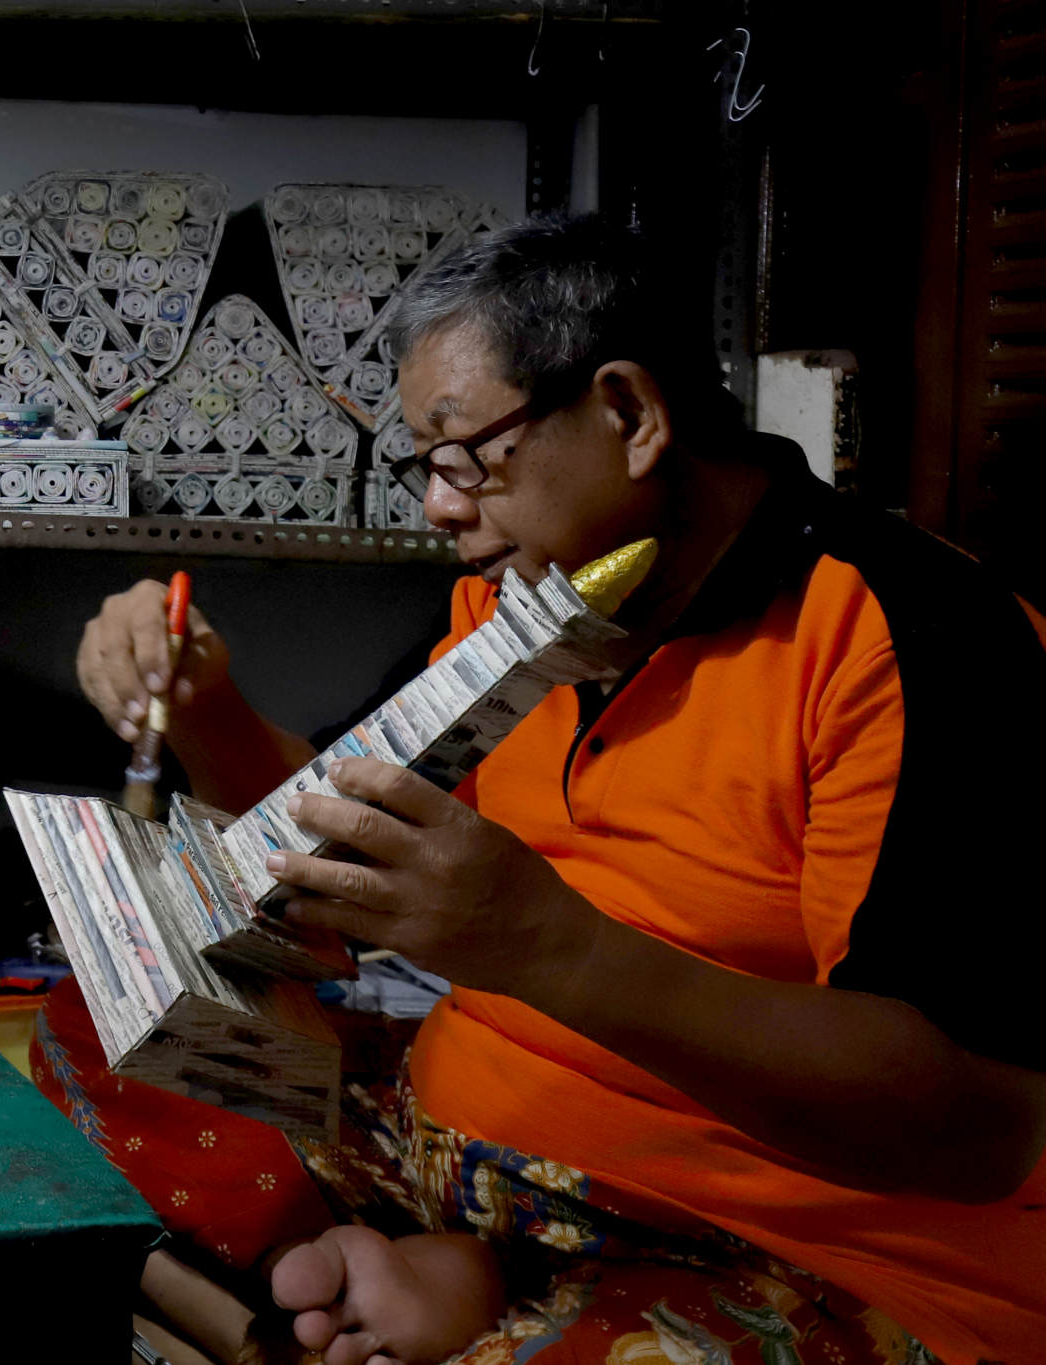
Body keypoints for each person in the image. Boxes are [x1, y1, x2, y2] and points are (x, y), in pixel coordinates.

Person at [74, 214, 1046, 1365]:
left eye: (465, 453)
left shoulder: (903, 636)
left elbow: (974, 1129)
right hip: (476, 1151)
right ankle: (462, 1265)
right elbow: (339, 828)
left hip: (787, 1245)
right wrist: (202, 711)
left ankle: (405, 1295)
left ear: (627, 415)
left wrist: (552, 949)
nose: (439, 505)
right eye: (423, 465)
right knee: (87, 1044)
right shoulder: (519, 600)